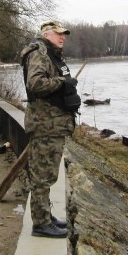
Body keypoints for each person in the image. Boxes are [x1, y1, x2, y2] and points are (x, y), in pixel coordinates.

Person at [19, 20, 82, 238]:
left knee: (47, 175)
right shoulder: (39, 53)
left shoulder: (50, 54)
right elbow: (35, 84)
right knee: (42, 177)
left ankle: (46, 216)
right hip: (45, 125)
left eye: (64, 34)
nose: (62, 37)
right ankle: (41, 224)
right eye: (58, 34)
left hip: (52, 125)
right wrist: (62, 83)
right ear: (46, 34)